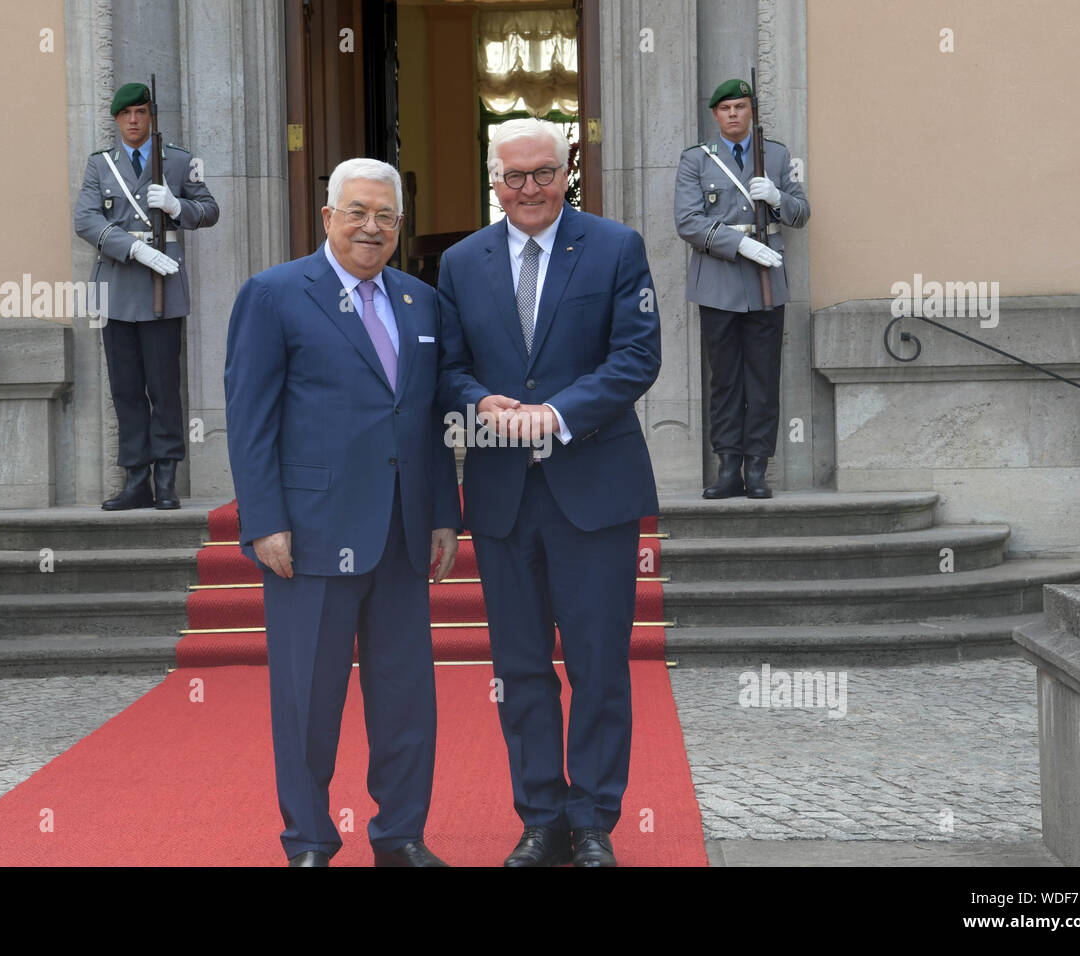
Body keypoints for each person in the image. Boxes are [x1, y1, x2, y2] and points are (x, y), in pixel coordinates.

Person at [224, 158, 461, 867]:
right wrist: (264, 519)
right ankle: (308, 839)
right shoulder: (273, 295)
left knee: (406, 698)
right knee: (307, 699)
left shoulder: (423, 302)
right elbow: (250, 418)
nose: (372, 227)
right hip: (312, 532)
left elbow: (426, 421)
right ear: (328, 217)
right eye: (358, 211)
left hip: (401, 531)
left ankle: (401, 836)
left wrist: (444, 512)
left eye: (386, 216)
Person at [437, 118, 662, 867]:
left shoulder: (615, 247)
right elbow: (448, 366)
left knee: (598, 663)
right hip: (504, 495)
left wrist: (557, 414)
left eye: (542, 173)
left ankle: (594, 818)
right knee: (519, 667)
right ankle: (539, 815)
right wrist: (478, 403)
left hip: (594, 487)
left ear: (568, 170)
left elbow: (637, 357)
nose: (527, 189)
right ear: (493, 180)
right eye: (513, 177)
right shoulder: (462, 262)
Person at [74, 81, 219, 511]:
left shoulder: (178, 160)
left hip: (163, 289)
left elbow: (209, 209)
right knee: (125, 388)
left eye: (140, 113)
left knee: (163, 386)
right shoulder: (100, 164)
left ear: (150, 116)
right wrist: (133, 248)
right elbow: (84, 220)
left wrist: (177, 207)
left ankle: (167, 477)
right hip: (118, 285)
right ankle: (136, 479)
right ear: (116, 120)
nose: (134, 121)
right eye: (126, 115)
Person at [673, 77, 809, 499]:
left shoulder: (778, 155)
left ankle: (756, 468)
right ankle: (728, 466)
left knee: (763, 378)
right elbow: (688, 221)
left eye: (740, 107)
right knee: (726, 379)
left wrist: (776, 197)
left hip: (767, 282)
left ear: (751, 112)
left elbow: (802, 213)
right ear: (715, 115)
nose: (733, 114)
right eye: (725, 108)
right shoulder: (697, 159)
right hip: (718, 282)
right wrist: (740, 243)